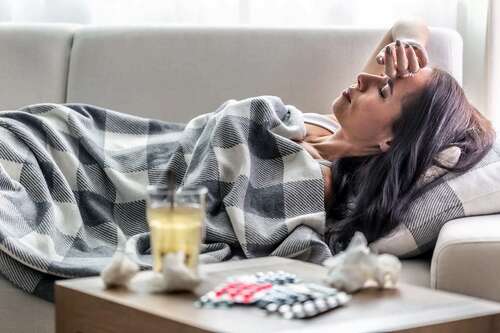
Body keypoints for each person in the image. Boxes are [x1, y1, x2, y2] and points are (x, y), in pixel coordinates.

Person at [295, 20, 496, 250]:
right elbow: (407, 25)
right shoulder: (335, 124)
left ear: (389, 140)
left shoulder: (321, 178)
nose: (363, 77)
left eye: (383, 90)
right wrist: (409, 44)